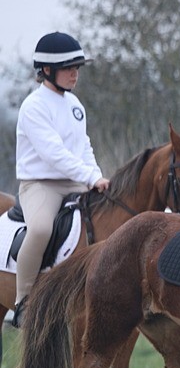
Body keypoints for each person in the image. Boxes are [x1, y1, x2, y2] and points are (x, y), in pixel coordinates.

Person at [12, 31, 110, 328]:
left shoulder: (74, 104)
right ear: (46, 71)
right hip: (41, 184)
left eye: (77, 68)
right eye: (69, 68)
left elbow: (84, 146)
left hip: (76, 180)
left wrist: (97, 177)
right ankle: (23, 301)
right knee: (41, 228)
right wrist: (89, 176)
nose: (74, 74)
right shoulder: (34, 106)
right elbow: (54, 154)